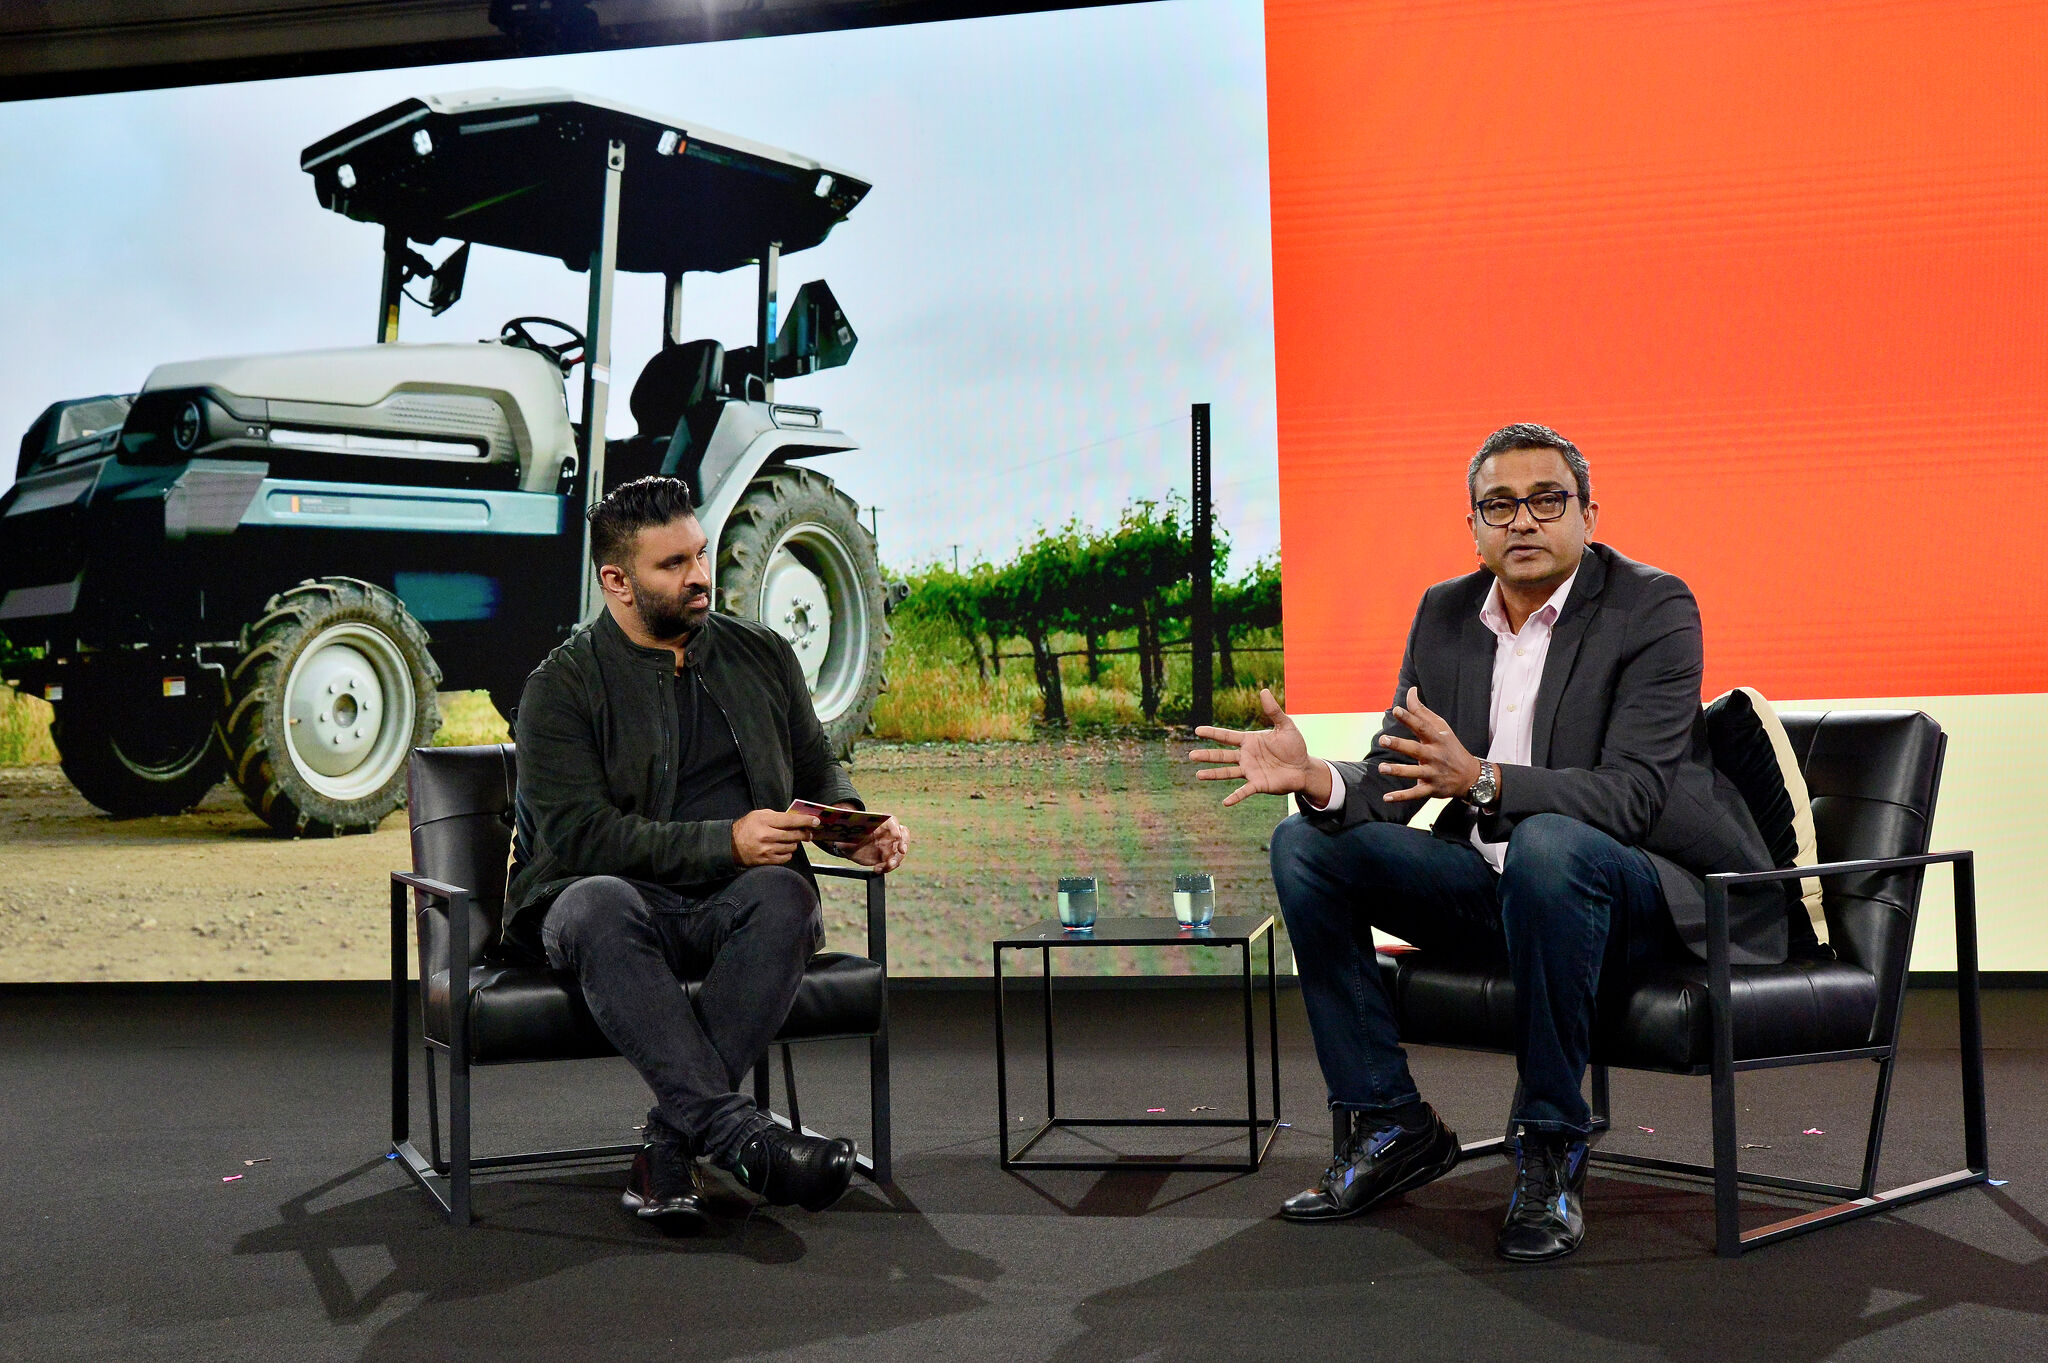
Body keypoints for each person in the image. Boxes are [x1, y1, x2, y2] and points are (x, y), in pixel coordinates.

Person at [1190, 423, 1780, 1262]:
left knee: (1548, 845)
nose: (1523, 520)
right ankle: (1389, 1123)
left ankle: (1550, 1146)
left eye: (1547, 500)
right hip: (1503, 887)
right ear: (1473, 525)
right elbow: (1396, 780)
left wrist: (1483, 780)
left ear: (1588, 514)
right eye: (1499, 505)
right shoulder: (1445, 611)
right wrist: (1317, 777)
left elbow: (1634, 797)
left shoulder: (1651, 606)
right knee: (1306, 846)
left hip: (1641, 890)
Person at [504, 476, 909, 1231]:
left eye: (701, 553)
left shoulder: (763, 654)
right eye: (673, 564)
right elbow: (581, 837)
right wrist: (728, 840)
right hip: (608, 906)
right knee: (598, 902)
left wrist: (853, 824)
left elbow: (815, 767)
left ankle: (672, 1143)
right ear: (616, 582)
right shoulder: (560, 686)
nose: (699, 575)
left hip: (730, 904)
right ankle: (742, 1139)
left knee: (786, 894)